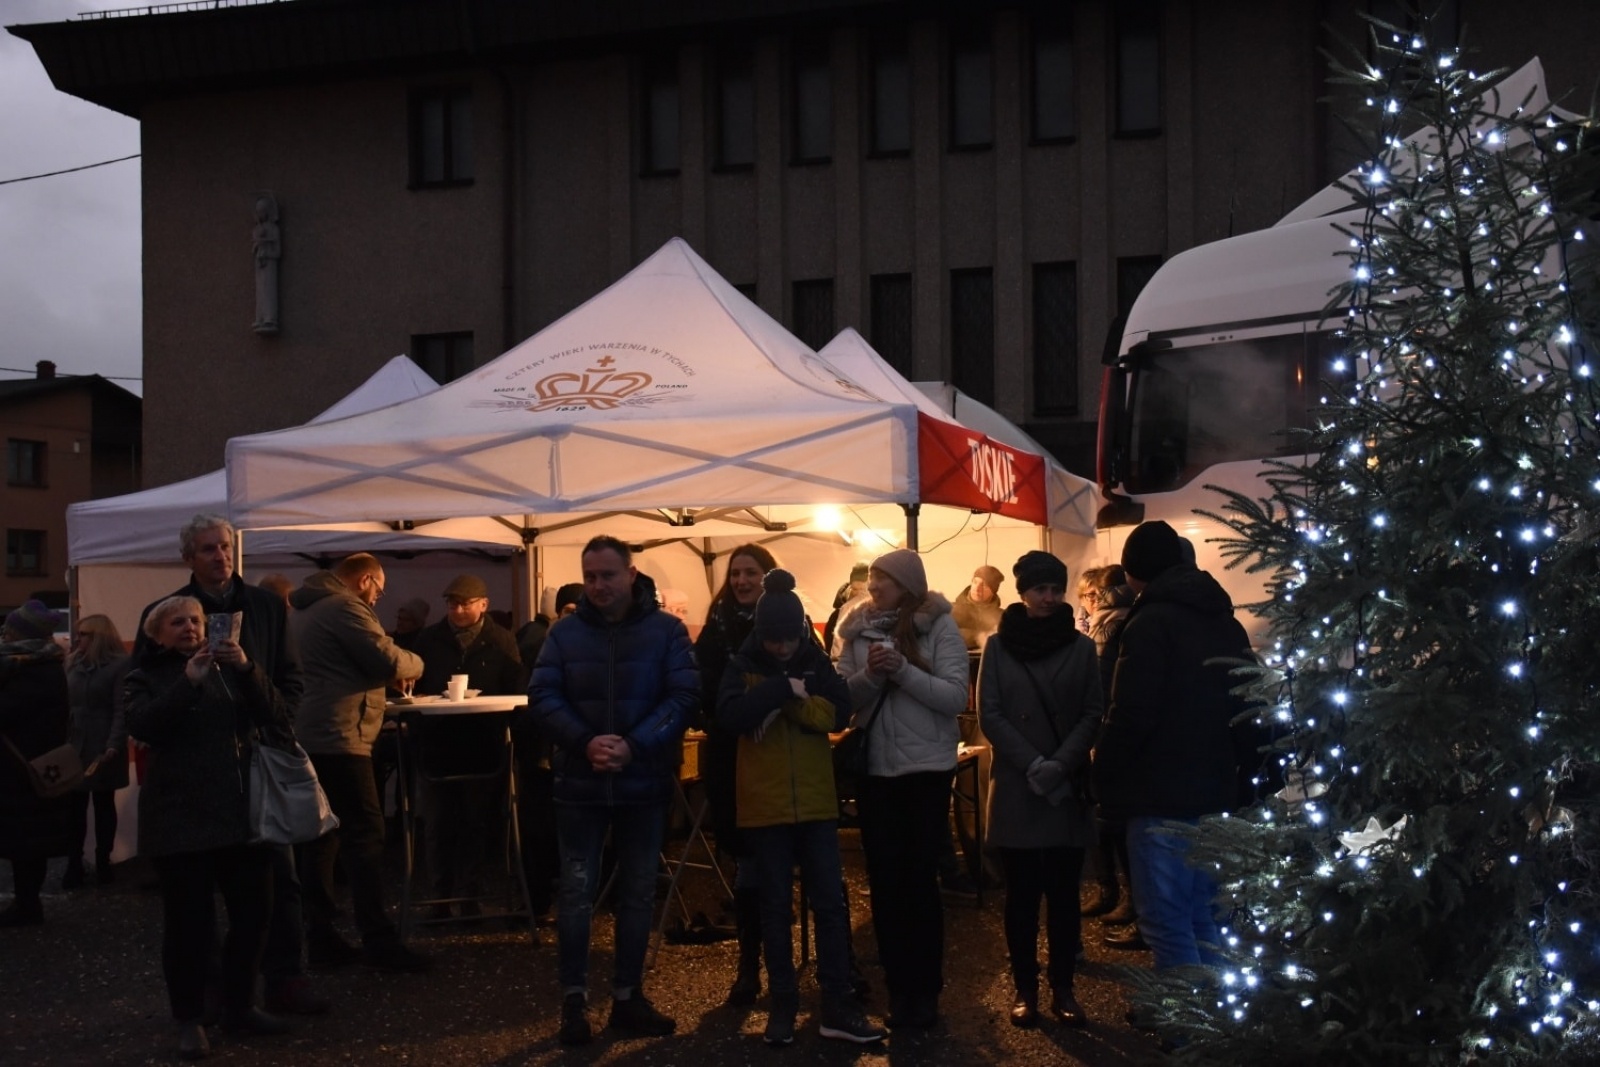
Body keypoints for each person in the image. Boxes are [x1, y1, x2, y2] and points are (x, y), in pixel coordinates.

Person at [136, 515, 322, 1017]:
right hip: (195, 775)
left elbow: (290, 677)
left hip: (258, 760)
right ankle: (214, 991)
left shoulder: (265, 605)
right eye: (208, 549)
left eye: (225, 547)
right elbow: (144, 684)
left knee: (277, 882)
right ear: (188, 558)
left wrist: (277, 727)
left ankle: (283, 977)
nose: (220, 556)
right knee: (197, 902)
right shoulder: (167, 612)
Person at [528, 535, 697, 1046]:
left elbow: (683, 695)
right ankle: (574, 1002)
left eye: (607, 575)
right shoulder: (564, 634)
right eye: (590, 576)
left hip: (640, 781)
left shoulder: (666, 631)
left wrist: (634, 745)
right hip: (582, 782)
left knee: (638, 892)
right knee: (577, 893)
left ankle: (627, 997)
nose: (598, 585)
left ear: (631, 574)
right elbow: (543, 694)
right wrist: (585, 742)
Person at [716, 569, 887, 1045]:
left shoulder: (815, 661)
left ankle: (837, 1006)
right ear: (761, 635)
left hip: (815, 804)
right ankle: (783, 1007)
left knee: (830, 906)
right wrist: (780, 689)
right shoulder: (741, 664)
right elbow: (729, 717)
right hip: (765, 808)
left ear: (801, 631)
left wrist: (789, 704)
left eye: (790, 638)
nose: (783, 648)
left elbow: (837, 712)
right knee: (774, 910)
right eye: (774, 640)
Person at [124, 595, 296, 1058]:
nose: (190, 627)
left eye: (197, 620)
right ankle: (191, 1017)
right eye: (177, 622)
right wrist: (188, 683)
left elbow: (276, 716)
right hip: (179, 819)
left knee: (254, 914)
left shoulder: (230, 669)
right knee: (189, 926)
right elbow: (145, 726)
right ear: (156, 635)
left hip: (241, 813)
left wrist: (247, 669)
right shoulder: (144, 677)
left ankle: (240, 1005)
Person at [1092, 520, 1254, 970]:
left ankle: (1186, 1014)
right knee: (1204, 916)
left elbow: (1131, 713)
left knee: (1166, 922)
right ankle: (1215, 1009)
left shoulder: (1149, 623)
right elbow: (1249, 701)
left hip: (1160, 794)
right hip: (1216, 789)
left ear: (1133, 571)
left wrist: (1103, 774)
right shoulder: (1223, 619)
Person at [835, 549, 968, 1030]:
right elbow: (840, 701)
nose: (873, 587)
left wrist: (903, 670)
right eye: (871, 579)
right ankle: (897, 990)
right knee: (886, 884)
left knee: (920, 882)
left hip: (926, 771)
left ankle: (925, 991)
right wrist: (871, 674)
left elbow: (955, 697)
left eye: (883, 579)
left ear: (908, 585)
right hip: (875, 771)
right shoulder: (853, 629)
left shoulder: (940, 626)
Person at [977, 551, 1103, 1028]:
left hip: (1064, 786)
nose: (1048, 598)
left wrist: (1060, 763)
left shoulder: (1081, 648)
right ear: (1022, 592)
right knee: (1022, 898)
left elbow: (1093, 711)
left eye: (1055, 589)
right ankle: (1025, 988)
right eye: (1039, 589)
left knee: (1065, 897)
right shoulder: (998, 646)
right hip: (1018, 784)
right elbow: (990, 713)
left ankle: (1063, 987)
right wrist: (1033, 762)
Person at [289, 553, 428, 973]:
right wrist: (416, 662)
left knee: (321, 836)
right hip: (341, 734)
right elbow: (389, 659)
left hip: (311, 732)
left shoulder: (305, 609)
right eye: (379, 592)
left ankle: (321, 936)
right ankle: (378, 939)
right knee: (365, 834)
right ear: (365, 580)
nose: (377, 600)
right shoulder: (345, 607)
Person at [692, 542, 778, 1005]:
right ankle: (749, 965)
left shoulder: (789, 621)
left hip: (776, 753)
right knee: (746, 861)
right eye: (736, 573)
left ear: (769, 577)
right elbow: (701, 686)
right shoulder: (717, 626)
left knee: (775, 861)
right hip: (730, 754)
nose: (742, 581)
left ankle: (780, 970)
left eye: (751, 572)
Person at [409, 574, 522, 919]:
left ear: (483, 605)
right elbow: (412, 685)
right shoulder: (428, 639)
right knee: (438, 824)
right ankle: (440, 897)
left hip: (482, 744)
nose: (457, 610)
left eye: (464, 604)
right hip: (437, 744)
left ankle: (469, 895)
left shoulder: (501, 640)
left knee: (476, 822)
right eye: (452, 604)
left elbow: (517, 685)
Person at [512, 581, 585, 923]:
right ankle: (537, 901)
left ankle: (572, 902)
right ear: (557, 613)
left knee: (574, 833)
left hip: (574, 754)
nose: (574, 617)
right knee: (539, 831)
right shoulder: (540, 646)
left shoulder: (594, 647)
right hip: (543, 753)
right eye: (568, 610)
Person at [0, 600, 73, 928]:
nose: (4, 633)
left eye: (9, 628)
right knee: (25, 841)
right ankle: (25, 902)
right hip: (21, 767)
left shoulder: (36, 669)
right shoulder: (33, 664)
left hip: (25, 771)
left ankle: (27, 905)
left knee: (26, 842)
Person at [63, 613, 132, 888]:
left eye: (84, 634)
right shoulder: (72, 663)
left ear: (98, 637)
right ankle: (74, 863)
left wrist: (114, 743)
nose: (77, 639)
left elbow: (121, 709)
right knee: (74, 807)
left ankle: (103, 861)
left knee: (104, 804)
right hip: (75, 744)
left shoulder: (120, 666)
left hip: (103, 744)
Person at [950, 564, 1004, 650]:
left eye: (984, 585)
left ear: (993, 591)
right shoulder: (951, 610)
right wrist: (979, 636)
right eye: (975, 582)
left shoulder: (1003, 617)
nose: (977, 588)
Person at [821, 562, 868, 658]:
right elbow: (834, 651)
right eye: (855, 589)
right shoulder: (839, 613)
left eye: (863, 590)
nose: (858, 594)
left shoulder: (880, 610)